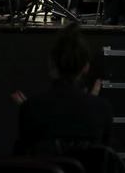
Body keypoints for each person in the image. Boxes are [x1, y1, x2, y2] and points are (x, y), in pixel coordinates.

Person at [13, 23, 113, 154]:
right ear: (86, 67)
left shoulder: (32, 108)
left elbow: (23, 156)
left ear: (51, 64)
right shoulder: (102, 109)